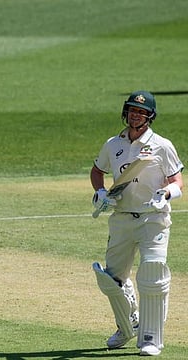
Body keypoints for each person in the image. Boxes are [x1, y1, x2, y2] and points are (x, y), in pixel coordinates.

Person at [90, 90, 183, 356]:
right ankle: (127, 324)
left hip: (153, 218)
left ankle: (151, 339)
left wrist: (165, 194)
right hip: (121, 218)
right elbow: (98, 171)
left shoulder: (162, 145)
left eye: (141, 112)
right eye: (132, 110)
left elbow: (178, 183)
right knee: (112, 279)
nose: (135, 115)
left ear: (150, 116)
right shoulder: (113, 144)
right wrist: (100, 192)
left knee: (153, 273)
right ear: (126, 112)